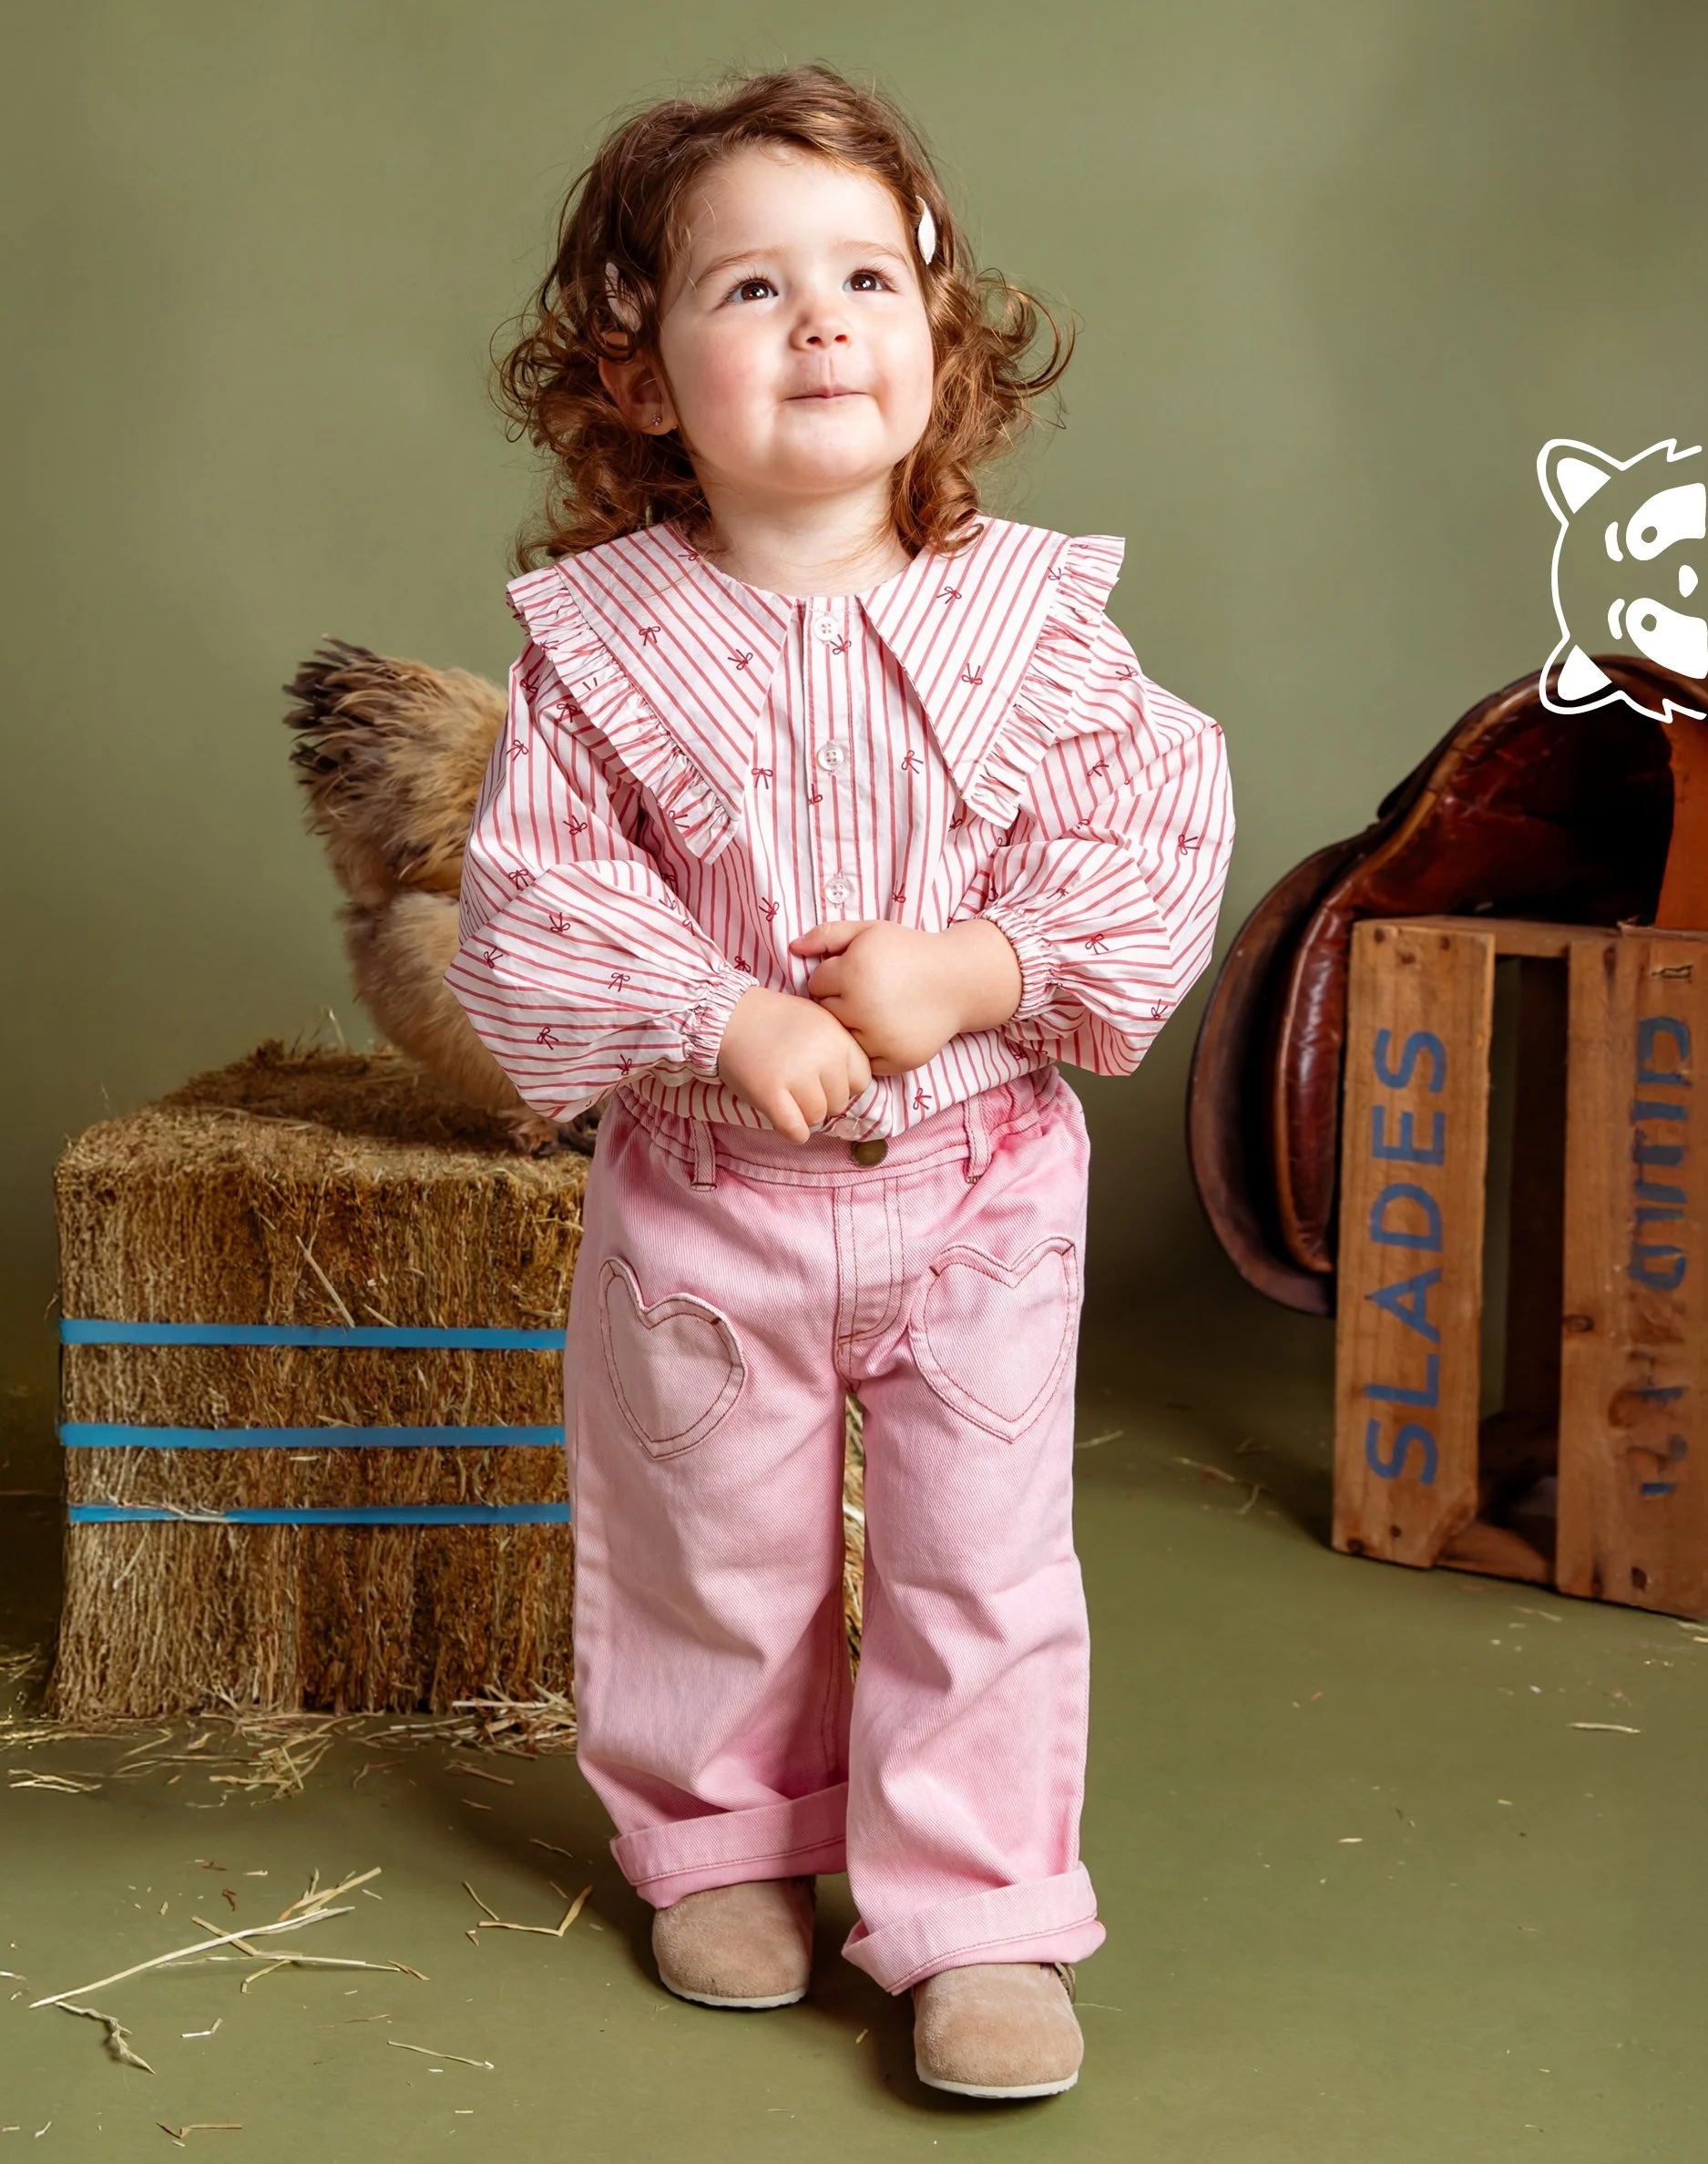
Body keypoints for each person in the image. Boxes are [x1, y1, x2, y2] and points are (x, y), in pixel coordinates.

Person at [445, 63, 1233, 2101]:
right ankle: (722, 1838)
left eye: (867, 277)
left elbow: (1150, 836)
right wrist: (721, 1014)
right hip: (712, 1199)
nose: (819, 322)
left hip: (977, 1188)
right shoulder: (599, 649)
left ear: (941, 334)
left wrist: (975, 966)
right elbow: (533, 894)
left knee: (981, 1555)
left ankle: (975, 1911)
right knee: (710, 1538)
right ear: (636, 373)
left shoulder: (1030, 623)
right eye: (750, 287)